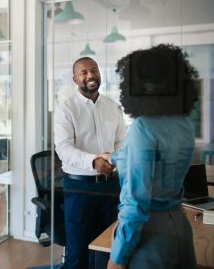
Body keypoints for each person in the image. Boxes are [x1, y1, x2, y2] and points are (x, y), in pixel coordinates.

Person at [105, 44, 198, 269]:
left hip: (150, 235)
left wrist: (116, 258)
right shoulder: (184, 124)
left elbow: (136, 203)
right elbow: (159, 162)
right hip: (179, 226)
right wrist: (115, 157)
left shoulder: (142, 127)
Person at [54, 56, 125, 269]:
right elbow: (63, 148)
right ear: (75, 79)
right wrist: (94, 162)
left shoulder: (113, 107)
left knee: (108, 247)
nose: (90, 75)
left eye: (94, 70)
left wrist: (114, 160)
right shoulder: (66, 109)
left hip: (111, 186)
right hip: (79, 188)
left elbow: (121, 141)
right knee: (77, 252)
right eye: (84, 72)